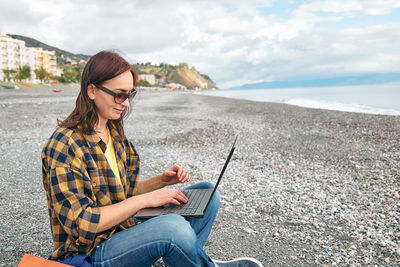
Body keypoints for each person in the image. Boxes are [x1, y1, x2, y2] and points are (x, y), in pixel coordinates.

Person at [42, 50, 263, 267]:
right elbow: (81, 223)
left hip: (122, 228)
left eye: (130, 94)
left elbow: (124, 191)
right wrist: (146, 200)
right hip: (91, 251)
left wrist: (162, 181)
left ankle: (189, 259)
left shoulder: (113, 132)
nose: (126, 103)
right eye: (119, 94)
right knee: (173, 227)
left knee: (207, 193)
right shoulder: (65, 145)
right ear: (92, 90)